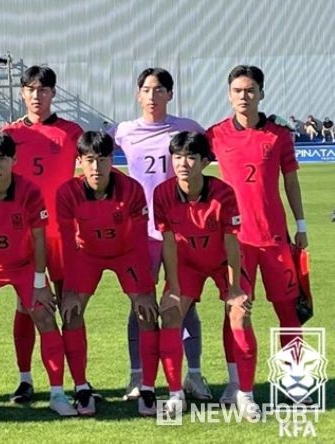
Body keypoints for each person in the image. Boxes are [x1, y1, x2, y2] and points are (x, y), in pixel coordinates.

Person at [0, 131, 76, 420]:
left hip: (24, 265)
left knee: (45, 317)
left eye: (2, 158)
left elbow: (39, 238)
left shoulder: (29, 191)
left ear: (14, 160)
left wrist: (40, 283)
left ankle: (58, 394)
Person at [107, 68, 210, 402]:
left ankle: (194, 375)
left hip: (181, 234)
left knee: (185, 304)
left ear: (170, 94)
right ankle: (137, 376)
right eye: (147, 89)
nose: (153, 96)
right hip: (142, 234)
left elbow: (211, 153)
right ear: (138, 94)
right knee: (141, 305)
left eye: (160, 89)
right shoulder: (123, 131)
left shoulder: (187, 128)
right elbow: (89, 150)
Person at [207, 65, 307, 404]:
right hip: (236, 242)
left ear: (261, 93)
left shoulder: (278, 135)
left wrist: (301, 226)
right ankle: (235, 383)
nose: (244, 96)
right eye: (237, 91)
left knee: (289, 313)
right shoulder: (216, 135)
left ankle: (295, 384)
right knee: (235, 311)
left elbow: (291, 181)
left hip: (276, 240)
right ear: (228, 95)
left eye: (250, 90)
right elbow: (187, 163)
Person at [153, 132, 259, 421]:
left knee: (239, 314)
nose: (182, 163)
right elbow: (169, 242)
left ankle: (244, 393)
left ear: (204, 161)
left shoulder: (223, 193)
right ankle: (175, 395)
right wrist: (174, 288)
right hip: (187, 264)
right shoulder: (162, 193)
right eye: (177, 157)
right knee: (171, 314)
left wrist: (234, 288)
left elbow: (231, 242)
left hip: (223, 263)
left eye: (190, 157)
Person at [57, 131, 156, 417]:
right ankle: (81, 387)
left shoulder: (132, 189)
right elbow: (67, 244)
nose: (96, 167)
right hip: (87, 255)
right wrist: (69, 289)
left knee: (147, 313)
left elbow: (140, 242)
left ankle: (148, 388)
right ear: (79, 161)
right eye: (90, 160)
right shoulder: (67, 192)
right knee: (71, 313)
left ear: (112, 160)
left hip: (127, 253)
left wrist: (144, 290)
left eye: (102, 159)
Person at [2, 65, 85, 403]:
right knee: (26, 307)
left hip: (63, 235)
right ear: (22, 93)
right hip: (26, 236)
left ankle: (79, 382)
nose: (37, 96)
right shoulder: (9, 134)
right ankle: (25, 380)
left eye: (44, 90)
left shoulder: (71, 132)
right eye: (31, 89)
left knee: (70, 306)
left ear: (53, 93)